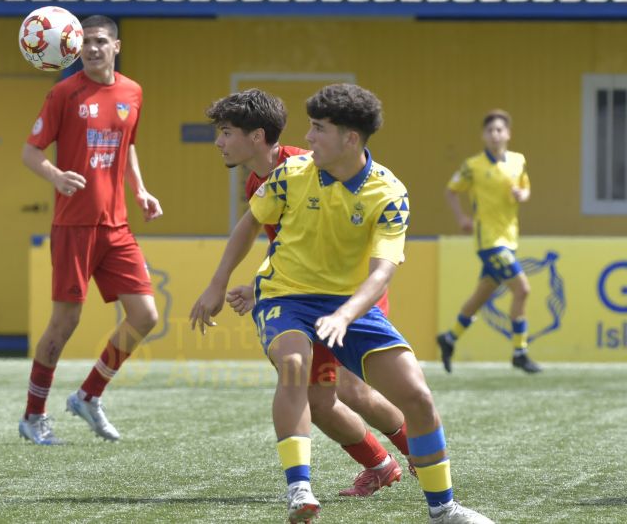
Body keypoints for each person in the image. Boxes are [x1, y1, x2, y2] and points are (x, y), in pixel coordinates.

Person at [190, 84, 492, 524]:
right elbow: (253, 227)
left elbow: (383, 270)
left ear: (350, 138)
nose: (308, 137)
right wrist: (224, 286)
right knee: (301, 375)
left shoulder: (389, 193)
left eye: (318, 128)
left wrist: (345, 313)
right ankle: (301, 489)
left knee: (416, 396)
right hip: (287, 297)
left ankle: (442, 508)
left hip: (352, 304)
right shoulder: (290, 174)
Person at [204, 89, 412, 497]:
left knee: (351, 391)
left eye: (226, 132)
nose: (218, 141)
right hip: (302, 296)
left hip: (347, 293)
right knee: (318, 400)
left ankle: (417, 456)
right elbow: (289, 246)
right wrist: (259, 282)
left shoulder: (307, 163)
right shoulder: (257, 182)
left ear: (257, 136)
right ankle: (382, 464)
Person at [18, 15, 163, 445]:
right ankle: (33, 416)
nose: (93, 49)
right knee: (65, 322)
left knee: (145, 315)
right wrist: (56, 176)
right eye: (86, 43)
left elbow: (128, 144)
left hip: (116, 224)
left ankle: (88, 395)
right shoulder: (64, 92)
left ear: (116, 46)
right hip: (74, 225)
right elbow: (30, 152)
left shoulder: (132, 91)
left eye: (101, 41)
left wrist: (140, 190)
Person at [437, 110, 541, 374]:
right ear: (483, 136)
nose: (495, 135)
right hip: (490, 242)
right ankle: (520, 351)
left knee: (481, 296)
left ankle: (449, 338)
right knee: (522, 289)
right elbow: (450, 191)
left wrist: (523, 194)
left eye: (500, 130)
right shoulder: (472, 166)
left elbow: (526, 188)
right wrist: (461, 218)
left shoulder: (519, 160)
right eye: (490, 131)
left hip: (510, 238)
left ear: (508, 134)